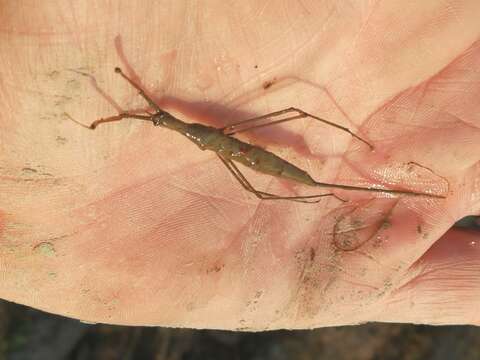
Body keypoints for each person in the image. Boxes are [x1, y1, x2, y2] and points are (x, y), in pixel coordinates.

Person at [0, 1, 479, 329]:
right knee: (262, 179)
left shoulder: (195, 130)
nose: (156, 116)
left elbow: (164, 113)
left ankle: (326, 185)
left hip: (247, 153)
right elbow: (160, 114)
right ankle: (324, 188)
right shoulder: (186, 130)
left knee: (285, 136)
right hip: (243, 155)